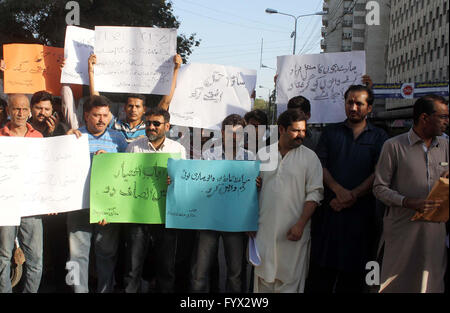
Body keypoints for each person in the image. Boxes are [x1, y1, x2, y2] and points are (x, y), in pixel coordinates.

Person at [307, 84, 389, 293]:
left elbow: (380, 171)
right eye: (349, 102)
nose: (353, 108)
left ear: (369, 108)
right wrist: (339, 191)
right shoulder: (330, 133)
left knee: (354, 278)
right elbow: (320, 165)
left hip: (362, 217)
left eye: (359, 104)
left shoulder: (380, 137)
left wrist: (353, 195)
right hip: (330, 212)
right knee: (321, 275)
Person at [373, 94, 449, 293]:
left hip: (434, 231)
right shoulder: (393, 146)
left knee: (430, 283)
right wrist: (407, 201)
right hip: (402, 228)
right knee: (395, 282)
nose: (446, 122)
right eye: (442, 116)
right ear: (424, 118)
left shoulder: (446, 147)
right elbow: (379, 188)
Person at [252, 109, 323, 293]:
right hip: (265, 232)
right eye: (296, 130)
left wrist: (300, 224)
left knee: (290, 283)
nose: (301, 135)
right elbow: (252, 192)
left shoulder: (310, 158)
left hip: (294, 234)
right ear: (282, 129)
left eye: (303, 131)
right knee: (263, 283)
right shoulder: (263, 154)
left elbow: (314, 194)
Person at [66, 95, 128, 293]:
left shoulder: (119, 139)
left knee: (107, 255)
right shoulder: (74, 138)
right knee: (76, 257)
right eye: (96, 115)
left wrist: (111, 160)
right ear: (86, 115)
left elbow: (126, 172)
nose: (102, 119)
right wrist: (64, 142)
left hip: (106, 210)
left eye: (105, 115)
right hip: (79, 207)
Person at [190, 114, 255, 293]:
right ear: (221, 133)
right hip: (209, 220)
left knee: (235, 274)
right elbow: (197, 184)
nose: (234, 138)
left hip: (236, 223)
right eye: (230, 133)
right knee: (200, 273)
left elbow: (253, 195)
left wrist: (256, 184)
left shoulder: (250, 158)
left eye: (238, 134)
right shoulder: (207, 155)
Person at [124, 107, 186, 293]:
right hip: (138, 215)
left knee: (165, 268)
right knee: (132, 268)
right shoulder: (134, 146)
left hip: (165, 216)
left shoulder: (178, 150)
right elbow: (123, 177)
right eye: (148, 123)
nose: (151, 127)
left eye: (156, 124)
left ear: (167, 126)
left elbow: (184, 183)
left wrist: (175, 180)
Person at [85, 53, 182, 142]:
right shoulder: (115, 124)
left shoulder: (149, 127)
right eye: (130, 106)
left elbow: (165, 102)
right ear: (125, 107)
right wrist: (91, 71)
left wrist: (176, 70)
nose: (133, 109)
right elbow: (96, 101)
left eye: (137, 106)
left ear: (144, 109)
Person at [0, 94, 43, 293]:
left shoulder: (39, 137)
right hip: (6, 205)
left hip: (31, 206)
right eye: (16, 109)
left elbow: (46, 171)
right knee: (3, 257)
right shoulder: (0, 136)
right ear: (8, 110)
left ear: (29, 112)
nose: (21, 113)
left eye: (25, 109)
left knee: (35, 259)